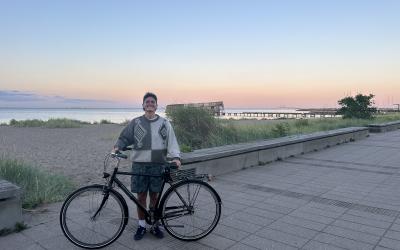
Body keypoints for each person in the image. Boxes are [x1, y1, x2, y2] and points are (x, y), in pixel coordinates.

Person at [113, 92, 181, 240]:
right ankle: (142, 225)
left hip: (158, 165)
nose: (150, 103)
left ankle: (154, 225)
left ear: (156, 106)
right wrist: (118, 146)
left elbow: (172, 142)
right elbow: (125, 138)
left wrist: (176, 157)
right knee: (141, 197)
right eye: (147, 101)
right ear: (143, 105)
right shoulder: (135, 122)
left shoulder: (164, 123)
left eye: (153, 102)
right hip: (139, 166)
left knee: (155, 196)